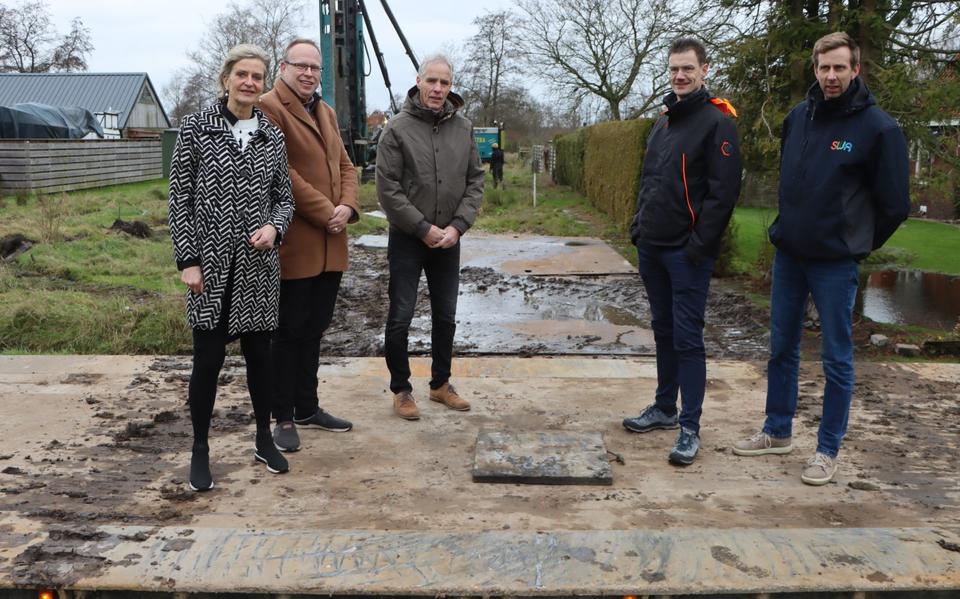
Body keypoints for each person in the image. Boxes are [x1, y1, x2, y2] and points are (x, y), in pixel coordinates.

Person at [733, 32, 909, 485]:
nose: (831, 76)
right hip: (790, 255)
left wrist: (855, 243)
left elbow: (894, 205)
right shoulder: (798, 117)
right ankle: (777, 431)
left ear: (856, 70)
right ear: (815, 69)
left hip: (835, 264)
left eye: (840, 68)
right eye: (824, 67)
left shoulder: (879, 129)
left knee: (836, 359)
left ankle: (827, 450)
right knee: (781, 349)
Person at [169, 44, 295, 492]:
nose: (249, 83)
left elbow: (285, 198)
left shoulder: (271, 136)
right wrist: (187, 260)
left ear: (264, 85)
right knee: (208, 360)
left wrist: (274, 228)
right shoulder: (196, 129)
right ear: (226, 78)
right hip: (211, 266)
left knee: (261, 359)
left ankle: (264, 439)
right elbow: (179, 199)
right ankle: (200, 448)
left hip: (258, 268)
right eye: (242, 74)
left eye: (258, 77)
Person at [621, 37, 742, 466]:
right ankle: (664, 409)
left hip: (687, 253)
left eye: (688, 68)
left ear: (705, 70)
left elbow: (723, 195)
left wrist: (699, 246)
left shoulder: (717, 122)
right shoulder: (664, 120)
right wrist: (638, 227)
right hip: (652, 246)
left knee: (688, 339)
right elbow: (650, 177)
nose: (680, 75)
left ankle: (690, 427)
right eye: (674, 68)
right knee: (663, 330)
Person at [259, 39, 360, 452]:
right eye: (300, 65)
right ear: (283, 67)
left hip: (331, 244)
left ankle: (307, 406)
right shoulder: (270, 107)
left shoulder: (326, 110)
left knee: (315, 330)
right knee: (287, 331)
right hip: (296, 242)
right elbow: (284, 172)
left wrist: (349, 207)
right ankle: (281, 415)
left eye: (315, 68)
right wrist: (327, 211)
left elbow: (346, 165)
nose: (308, 73)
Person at [376, 53, 485, 420]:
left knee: (446, 316)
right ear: (418, 82)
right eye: (432, 81)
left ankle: (440, 384)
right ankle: (401, 389)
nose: (438, 89)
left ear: (451, 86)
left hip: (449, 240)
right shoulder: (397, 129)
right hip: (409, 239)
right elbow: (388, 189)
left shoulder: (464, 128)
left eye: (445, 82)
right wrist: (422, 228)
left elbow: (475, 181)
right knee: (401, 317)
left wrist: (457, 227)